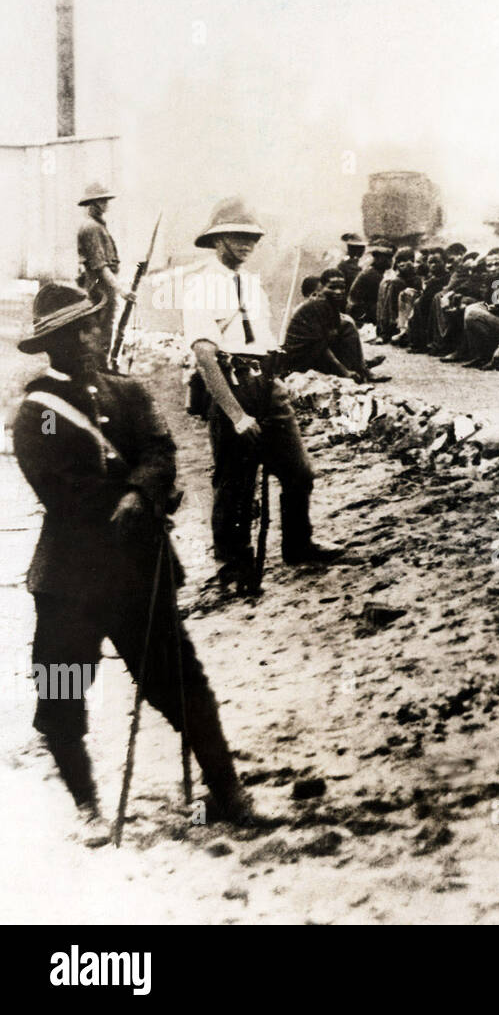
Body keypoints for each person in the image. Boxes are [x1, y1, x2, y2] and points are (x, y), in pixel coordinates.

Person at [12, 281, 265, 830]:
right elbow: (61, 488)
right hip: (69, 585)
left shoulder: (128, 391)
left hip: (138, 574)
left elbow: (160, 448)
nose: (89, 337)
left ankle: (228, 792)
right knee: (61, 696)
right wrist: (127, 494)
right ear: (51, 343)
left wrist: (139, 491)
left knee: (184, 688)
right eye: (74, 331)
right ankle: (87, 808)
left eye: (92, 326)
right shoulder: (41, 411)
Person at [183, 197, 346, 593]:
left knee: (299, 472)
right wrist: (237, 415)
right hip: (230, 385)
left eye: (252, 238)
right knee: (234, 483)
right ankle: (233, 568)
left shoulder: (252, 286)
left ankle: (298, 544)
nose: (247, 244)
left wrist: (276, 379)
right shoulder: (200, 287)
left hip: (267, 385)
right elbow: (205, 355)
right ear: (217, 239)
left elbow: (264, 342)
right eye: (238, 236)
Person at [282, 267, 382, 381]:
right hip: (299, 360)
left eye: (342, 288)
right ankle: (359, 367)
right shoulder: (317, 306)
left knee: (347, 326)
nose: (338, 292)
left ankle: (361, 367)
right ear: (322, 287)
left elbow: (334, 333)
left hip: (314, 354)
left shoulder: (331, 304)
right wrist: (344, 372)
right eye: (332, 288)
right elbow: (321, 346)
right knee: (343, 330)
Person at [75, 183, 123, 367]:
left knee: (105, 330)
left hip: (103, 287)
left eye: (105, 200)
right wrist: (122, 290)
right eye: (102, 200)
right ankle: (98, 372)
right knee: (99, 332)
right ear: (93, 204)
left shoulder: (98, 226)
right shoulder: (91, 228)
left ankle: (101, 369)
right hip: (99, 288)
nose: (106, 204)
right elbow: (100, 266)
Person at [347, 241, 393, 327]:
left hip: (362, 312)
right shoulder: (372, 274)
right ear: (377, 258)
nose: (390, 260)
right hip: (360, 316)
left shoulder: (374, 272)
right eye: (387, 257)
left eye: (391, 257)